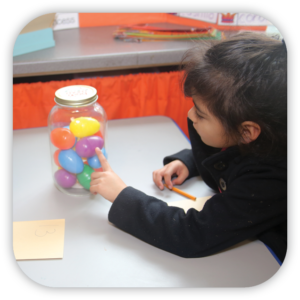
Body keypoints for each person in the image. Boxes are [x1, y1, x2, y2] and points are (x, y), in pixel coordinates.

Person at [90, 32, 287, 263]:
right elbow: (229, 152)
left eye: (201, 115)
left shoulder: (271, 180)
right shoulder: (259, 134)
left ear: (247, 132)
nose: (190, 115)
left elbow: (193, 233)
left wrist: (122, 196)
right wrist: (189, 161)